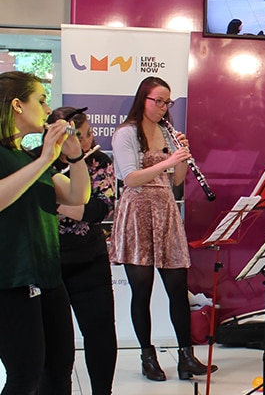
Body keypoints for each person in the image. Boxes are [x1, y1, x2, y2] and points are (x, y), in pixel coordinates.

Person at [109, 76, 212, 381]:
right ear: (144, 99)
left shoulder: (168, 132)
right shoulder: (126, 133)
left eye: (168, 102)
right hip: (137, 212)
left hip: (165, 210)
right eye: (159, 101)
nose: (164, 107)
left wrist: (182, 155)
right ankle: (148, 357)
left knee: (178, 289)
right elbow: (130, 178)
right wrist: (167, 161)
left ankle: (186, 357)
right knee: (141, 292)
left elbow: (177, 179)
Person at [0, 71, 90, 394]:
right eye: (40, 100)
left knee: (59, 368)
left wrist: (75, 155)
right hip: (11, 280)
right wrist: (44, 159)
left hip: (48, 277)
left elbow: (78, 197)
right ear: (17, 106)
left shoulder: (30, 157)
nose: (47, 106)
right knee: (24, 373)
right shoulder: (23, 159)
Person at [47, 107, 118, 395]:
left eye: (89, 134)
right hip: (51, 262)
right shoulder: (39, 161)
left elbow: (99, 209)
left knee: (100, 334)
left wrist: (56, 203)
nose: (88, 141)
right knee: (55, 343)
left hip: (91, 259)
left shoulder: (100, 161)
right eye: (81, 135)